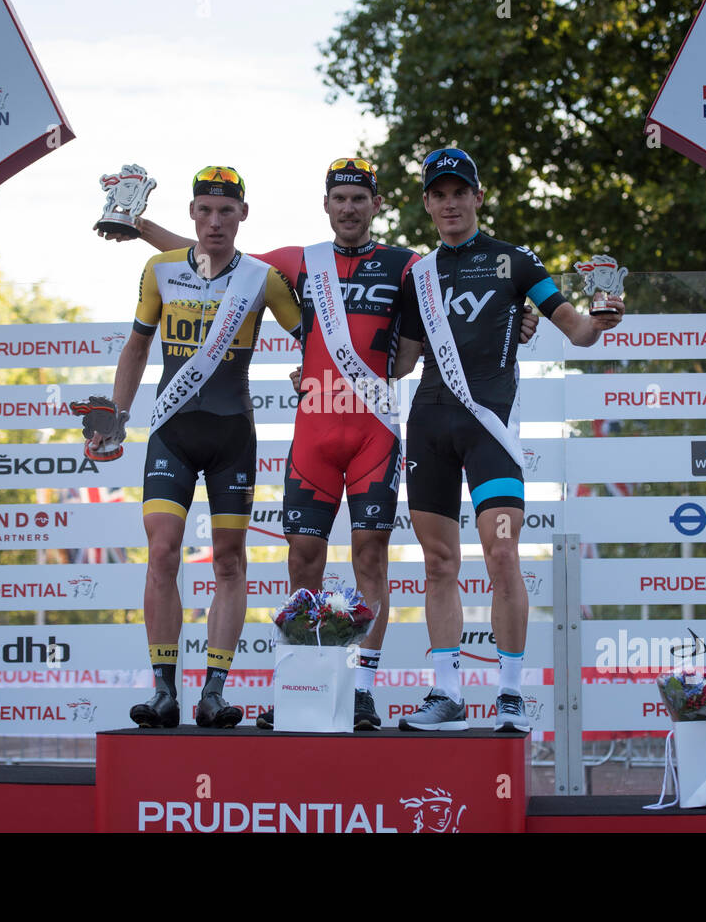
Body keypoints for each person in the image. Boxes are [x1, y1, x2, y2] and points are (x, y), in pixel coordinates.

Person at [126, 158, 539, 730]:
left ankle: (362, 690)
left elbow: (473, 300)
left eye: (359, 199)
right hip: (314, 434)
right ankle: (304, 681)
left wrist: (519, 318)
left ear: (377, 205)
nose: (348, 208)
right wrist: (141, 226)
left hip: (374, 432)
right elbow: (214, 259)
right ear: (326, 205)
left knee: (371, 557)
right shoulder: (300, 263)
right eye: (338, 198)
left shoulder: (409, 266)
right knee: (303, 560)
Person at [393, 147, 624, 732]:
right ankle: (446, 693)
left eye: (459, 192)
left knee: (501, 554)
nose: (449, 203)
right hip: (429, 430)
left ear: (477, 197)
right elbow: (402, 363)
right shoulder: (417, 273)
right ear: (427, 204)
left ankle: (511, 693)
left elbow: (576, 331)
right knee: (439, 562)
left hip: (489, 431)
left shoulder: (515, 261)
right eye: (438, 194)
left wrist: (603, 316)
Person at [95, 165, 303, 728]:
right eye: (205, 210)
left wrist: (308, 374)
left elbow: (320, 337)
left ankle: (214, 690)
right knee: (162, 551)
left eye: (226, 211)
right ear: (191, 213)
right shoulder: (159, 269)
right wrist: (116, 417)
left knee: (230, 561)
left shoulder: (260, 279)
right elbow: (136, 349)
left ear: (242, 216)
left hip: (232, 433)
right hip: (173, 430)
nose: (215, 221)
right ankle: (164, 691)